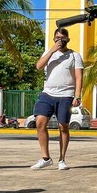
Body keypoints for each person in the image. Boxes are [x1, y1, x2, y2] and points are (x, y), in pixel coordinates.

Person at [30, 28, 83, 170]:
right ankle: (45, 158)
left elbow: (79, 77)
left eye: (62, 38)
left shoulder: (74, 56)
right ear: (54, 39)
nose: (60, 41)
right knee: (40, 122)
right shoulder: (49, 53)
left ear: (68, 40)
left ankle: (62, 159)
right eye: (57, 38)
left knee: (63, 126)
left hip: (66, 95)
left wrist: (77, 96)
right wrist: (52, 51)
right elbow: (39, 66)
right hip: (47, 94)